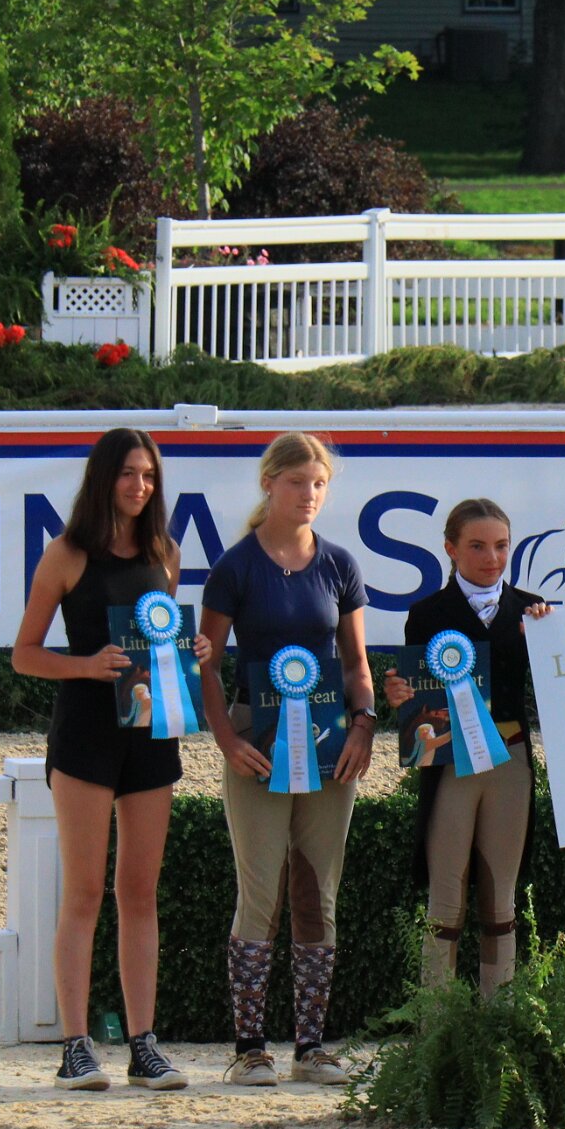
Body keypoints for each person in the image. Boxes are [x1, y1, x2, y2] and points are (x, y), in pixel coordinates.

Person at [11, 427, 210, 1091]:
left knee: (140, 892)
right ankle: (74, 1045)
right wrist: (85, 666)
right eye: (128, 473)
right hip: (85, 736)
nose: (139, 486)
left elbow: (161, 647)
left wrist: (193, 654)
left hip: (151, 735)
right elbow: (24, 654)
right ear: (103, 478)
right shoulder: (66, 554)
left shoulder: (165, 552)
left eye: (149, 475)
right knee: (84, 891)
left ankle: (143, 1044)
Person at [198, 432, 377, 1086]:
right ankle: (249, 1048)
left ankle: (311, 1047)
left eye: (319, 483)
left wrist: (364, 726)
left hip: (331, 743)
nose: (309, 494)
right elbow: (206, 663)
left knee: (318, 890)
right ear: (269, 483)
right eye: (297, 481)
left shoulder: (340, 565)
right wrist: (227, 740)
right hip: (257, 741)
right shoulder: (235, 568)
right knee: (259, 890)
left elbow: (356, 664)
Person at [384, 498, 550, 1001]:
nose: (491, 558)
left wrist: (551, 637)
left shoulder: (533, 610)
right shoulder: (426, 614)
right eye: (477, 546)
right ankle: (438, 1024)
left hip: (511, 760)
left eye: (501, 546)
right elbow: (417, 698)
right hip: (451, 763)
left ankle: (498, 1019)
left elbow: (561, 685)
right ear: (451, 549)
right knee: (446, 900)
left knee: (501, 900)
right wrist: (398, 695)